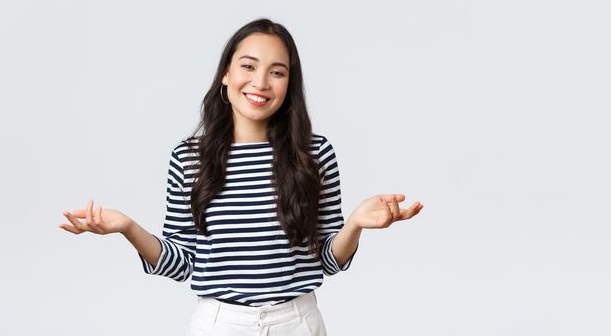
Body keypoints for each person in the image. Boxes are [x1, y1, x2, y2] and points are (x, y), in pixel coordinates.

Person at [58, 18, 424, 336]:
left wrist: (356, 224)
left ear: (289, 84)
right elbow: (183, 262)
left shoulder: (314, 154)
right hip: (219, 324)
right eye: (248, 66)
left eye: (277, 72)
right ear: (226, 74)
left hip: (297, 322)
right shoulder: (189, 159)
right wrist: (128, 228)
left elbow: (328, 260)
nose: (260, 82)